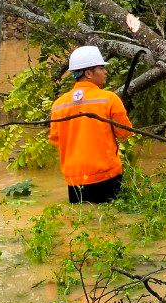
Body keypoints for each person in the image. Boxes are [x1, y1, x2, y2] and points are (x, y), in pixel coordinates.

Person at [49, 45, 133, 204]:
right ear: (88, 73)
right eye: (101, 68)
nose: (105, 72)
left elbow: (55, 140)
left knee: (82, 223)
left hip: (74, 179)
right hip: (106, 176)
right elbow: (125, 134)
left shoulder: (58, 105)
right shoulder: (109, 99)